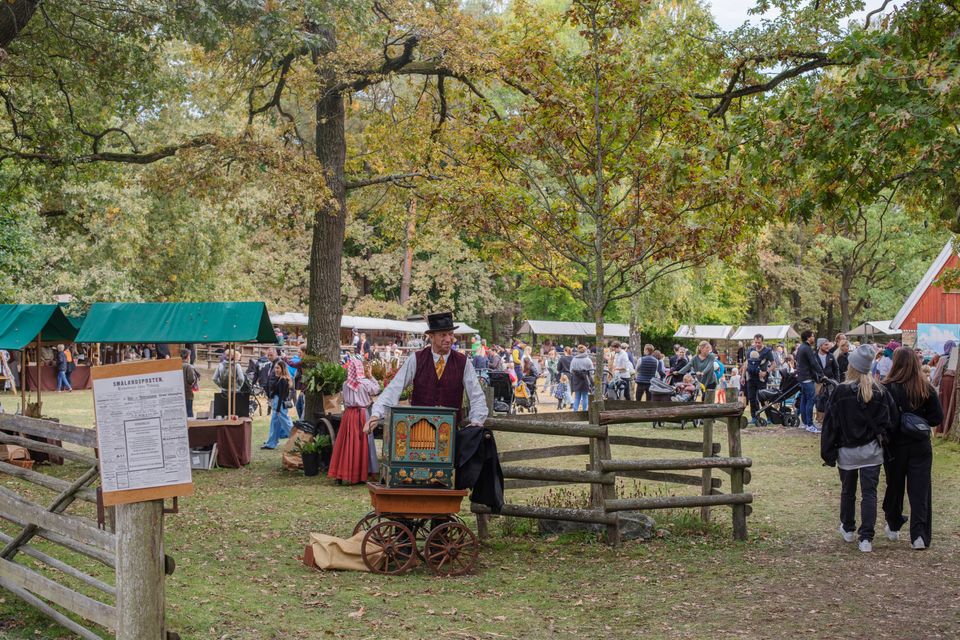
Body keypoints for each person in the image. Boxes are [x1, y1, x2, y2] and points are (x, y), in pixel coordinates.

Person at [821, 344, 895, 553]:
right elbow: (890, 421)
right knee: (869, 494)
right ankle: (866, 538)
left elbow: (831, 425)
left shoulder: (840, 392)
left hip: (847, 452)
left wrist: (828, 452)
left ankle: (848, 527)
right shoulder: (880, 391)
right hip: (872, 451)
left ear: (851, 366)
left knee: (848, 491)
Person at [367, 311, 487, 433]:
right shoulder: (416, 359)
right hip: (419, 433)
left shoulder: (463, 362)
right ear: (431, 337)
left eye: (450, 334)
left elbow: (476, 395)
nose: (448, 339)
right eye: (443, 335)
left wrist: (476, 422)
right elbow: (394, 388)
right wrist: (376, 414)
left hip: (450, 434)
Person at [882, 347, 943, 550]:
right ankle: (919, 535)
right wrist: (918, 421)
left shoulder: (887, 387)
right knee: (920, 490)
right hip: (920, 444)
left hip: (895, 444)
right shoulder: (925, 387)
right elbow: (937, 418)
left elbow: (883, 418)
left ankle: (893, 524)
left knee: (894, 486)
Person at [329, 358, 382, 484]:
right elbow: (377, 389)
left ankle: (341, 474)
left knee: (346, 443)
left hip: (348, 415)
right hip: (362, 414)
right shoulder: (365, 383)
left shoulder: (345, 384)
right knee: (364, 443)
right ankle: (361, 474)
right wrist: (371, 376)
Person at [795, 330, 823, 433]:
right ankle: (810, 424)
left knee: (804, 400)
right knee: (810, 400)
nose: (814, 338)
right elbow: (813, 363)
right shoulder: (807, 348)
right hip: (807, 378)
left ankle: (805, 423)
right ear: (808, 337)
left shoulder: (801, 347)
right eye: (813, 336)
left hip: (801, 377)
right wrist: (821, 374)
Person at [262, 361, 293, 450]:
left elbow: (282, 397)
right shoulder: (279, 379)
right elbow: (276, 392)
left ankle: (296, 439)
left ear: (283, 369)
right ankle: (271, 443)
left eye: (278, 368)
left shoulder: (283, 380)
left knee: (287, 424)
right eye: (275, 368)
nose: (276, 370)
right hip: (277, 404)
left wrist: (278, 409)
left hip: (280, 405)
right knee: (274, 424)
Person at [569, 345, 595, 411]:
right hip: (585, 380)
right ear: (585, 351)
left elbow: (571, 370)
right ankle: (584, 411)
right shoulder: (588, 360)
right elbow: (592, 371)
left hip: (576, 379)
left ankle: (575, 411)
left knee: (577, 396)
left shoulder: (574, 359)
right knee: (585, 396)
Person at [180, 348, 199, 418]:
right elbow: (191, 380)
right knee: (189, 413)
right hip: (187, 393)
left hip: (179, 393)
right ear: (188, 356)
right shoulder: (188, 366)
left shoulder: (177, 365)